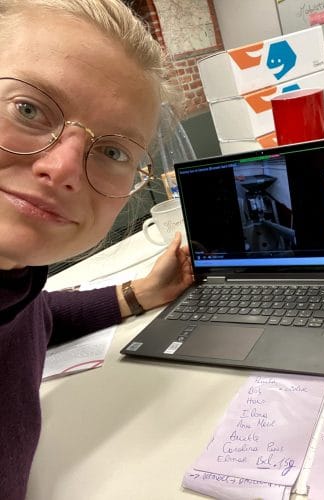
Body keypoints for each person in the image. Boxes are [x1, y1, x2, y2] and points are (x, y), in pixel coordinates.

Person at [0, 1, 194, 498]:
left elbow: (34, 317)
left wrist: (140, 292)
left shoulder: (16, 281)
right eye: (27, 108)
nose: (63, 169)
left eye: (113, 151)